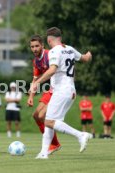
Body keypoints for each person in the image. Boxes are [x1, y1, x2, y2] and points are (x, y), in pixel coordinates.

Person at [30, 27, 93, 159]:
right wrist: (89, 54)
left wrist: (38, 82)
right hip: (70, 91)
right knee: (50, 121)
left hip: (61, 91)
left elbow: (52, 70)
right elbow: (85, 58)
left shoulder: (54, 51)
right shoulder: (69, 48)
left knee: (48, 121)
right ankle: (43, 152)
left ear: (49, 40)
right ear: (60, 37)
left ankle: (80, 135)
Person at [27, 35, 61, 154]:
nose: (34, 49)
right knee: (36, 115)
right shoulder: (36, 61)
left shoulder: (50, 54)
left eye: (37, 46)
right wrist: (31, 97)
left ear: (42, 45)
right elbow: (35, 80)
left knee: (42, 116)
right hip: (51, 89)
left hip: (60, 89)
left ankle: (52, 143)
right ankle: (54, 143)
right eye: (32, 47)